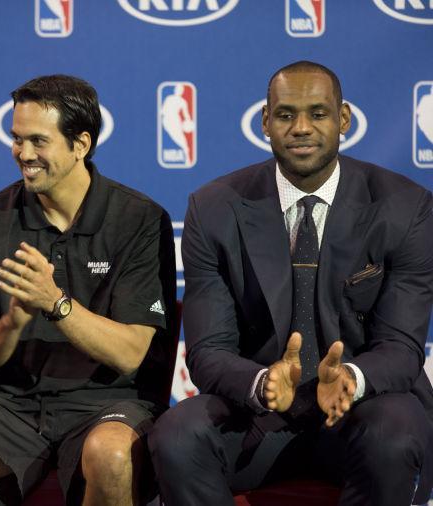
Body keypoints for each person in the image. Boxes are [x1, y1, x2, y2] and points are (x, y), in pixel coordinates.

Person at [149, 60, 433, 506]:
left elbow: (401, 348)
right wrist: (262, 383)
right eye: (285, 115)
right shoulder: (213, 209)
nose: (301, 127)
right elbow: (208, 351)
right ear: (266, 121)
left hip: (361, 409)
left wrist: (351, 380)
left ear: (344, 120)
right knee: (177, 435)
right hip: (258, 415)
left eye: (318, 114)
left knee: (394, 431)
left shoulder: (404, 206)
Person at [0, 74, 176, 506]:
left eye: (39, 141)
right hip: (13, 403)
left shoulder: (139, 219)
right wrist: (12, 322)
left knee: (112, 455)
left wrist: (55, 304)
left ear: (81, 144)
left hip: (111, 401)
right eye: (17, 139)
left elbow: (131, 352)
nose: (23, 154)